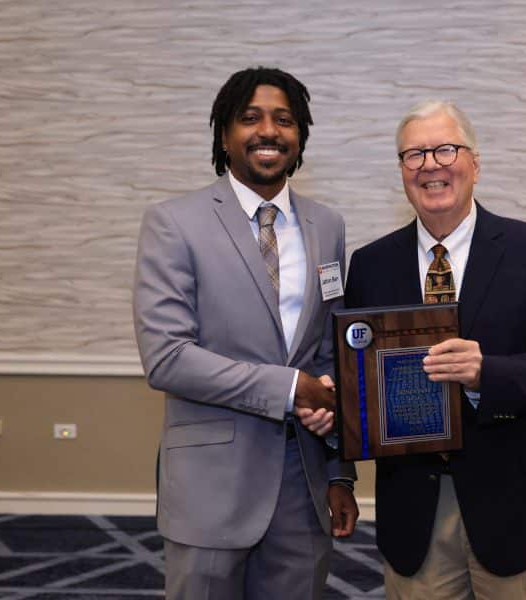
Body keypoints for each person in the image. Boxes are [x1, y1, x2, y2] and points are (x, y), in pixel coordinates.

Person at [344, 100, 526, 599]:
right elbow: (360, 374)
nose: (430, 164)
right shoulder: (369, 265)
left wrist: (485, 374)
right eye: (414, 155)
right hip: (415, 506)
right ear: (401, 172)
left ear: (475, 163)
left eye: (445, 149)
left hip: (518, 501)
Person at [133, 66, 358, 599]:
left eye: (284, 119)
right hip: (212, 485)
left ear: (300, 135)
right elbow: (167, 357)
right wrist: (286, 388)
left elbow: (329, 355)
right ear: (224, 135)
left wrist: (339, 474)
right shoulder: (174, 223)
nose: (268, 131)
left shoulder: (326, 226)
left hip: (302, 487)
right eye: (250, 118)